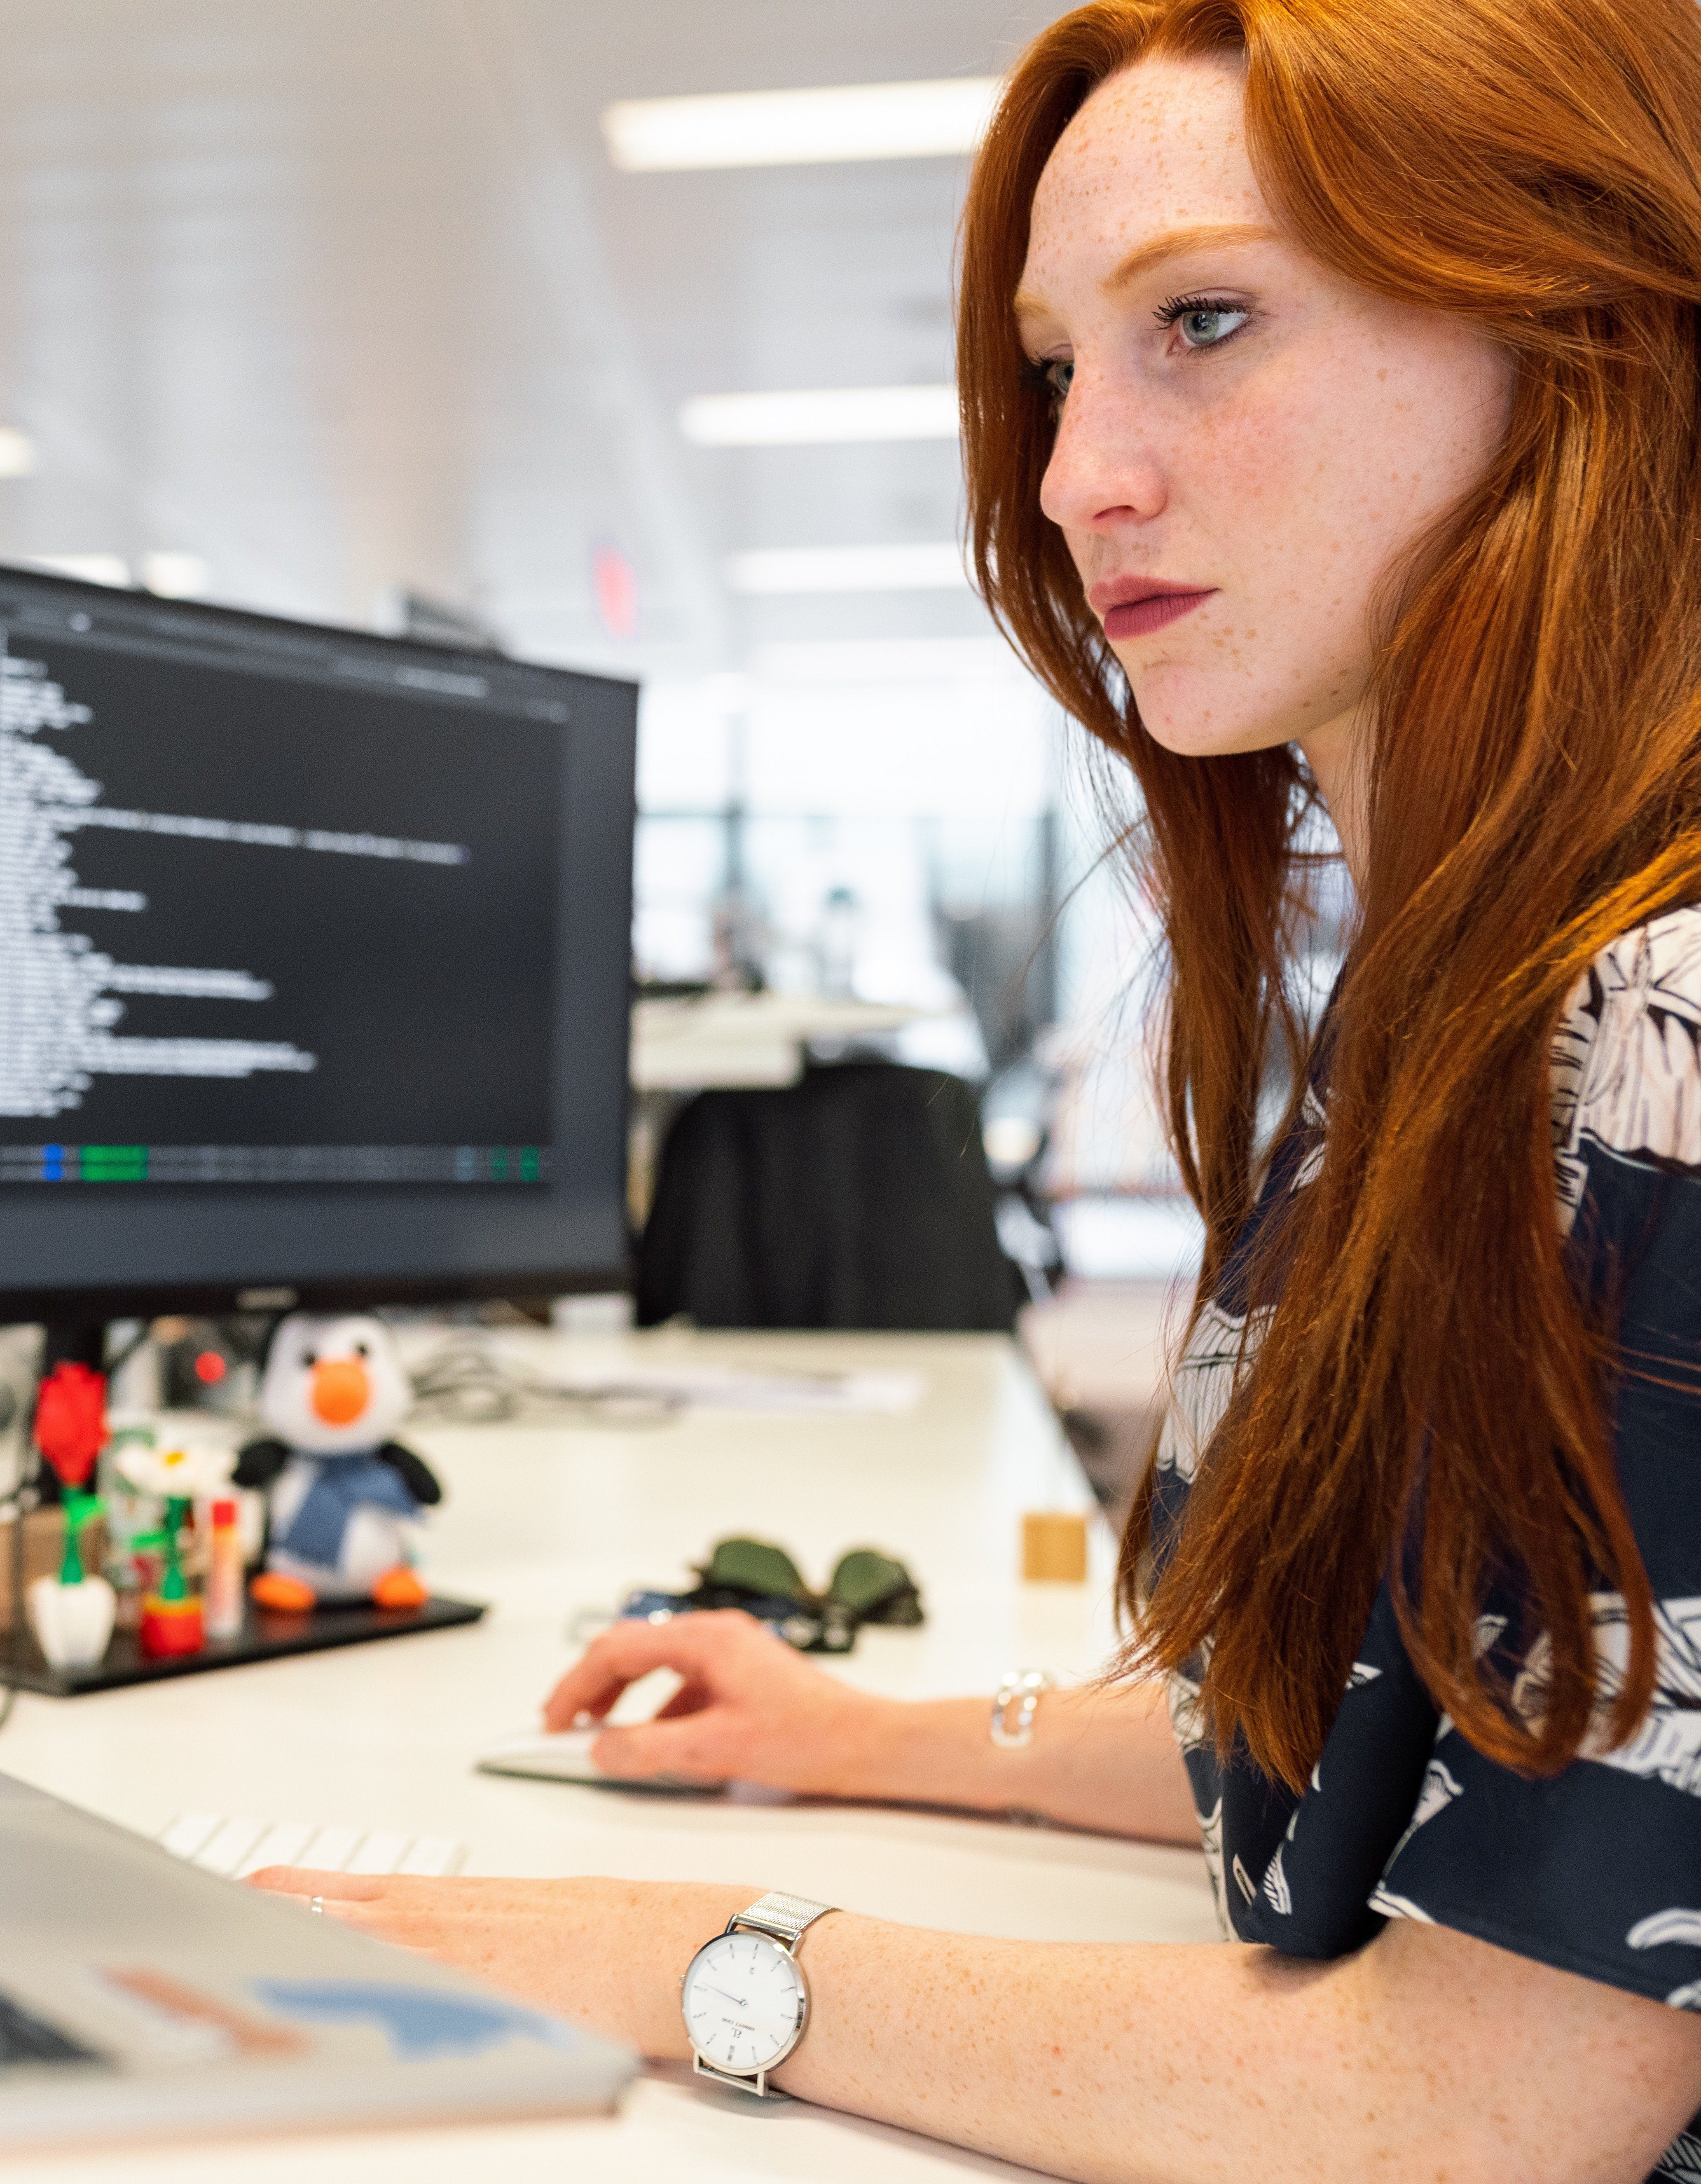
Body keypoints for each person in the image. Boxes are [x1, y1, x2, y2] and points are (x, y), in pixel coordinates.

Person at [252, 0, 1701, 2173]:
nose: (1070, 474)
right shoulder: (1436, 1026)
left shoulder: (1663, 1043)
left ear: (1568, 330)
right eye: (1053, 368)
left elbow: (1492, 2091)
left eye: (1203, 319)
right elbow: (1369, 1747)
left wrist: (673, 1962)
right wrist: (871, 1733)